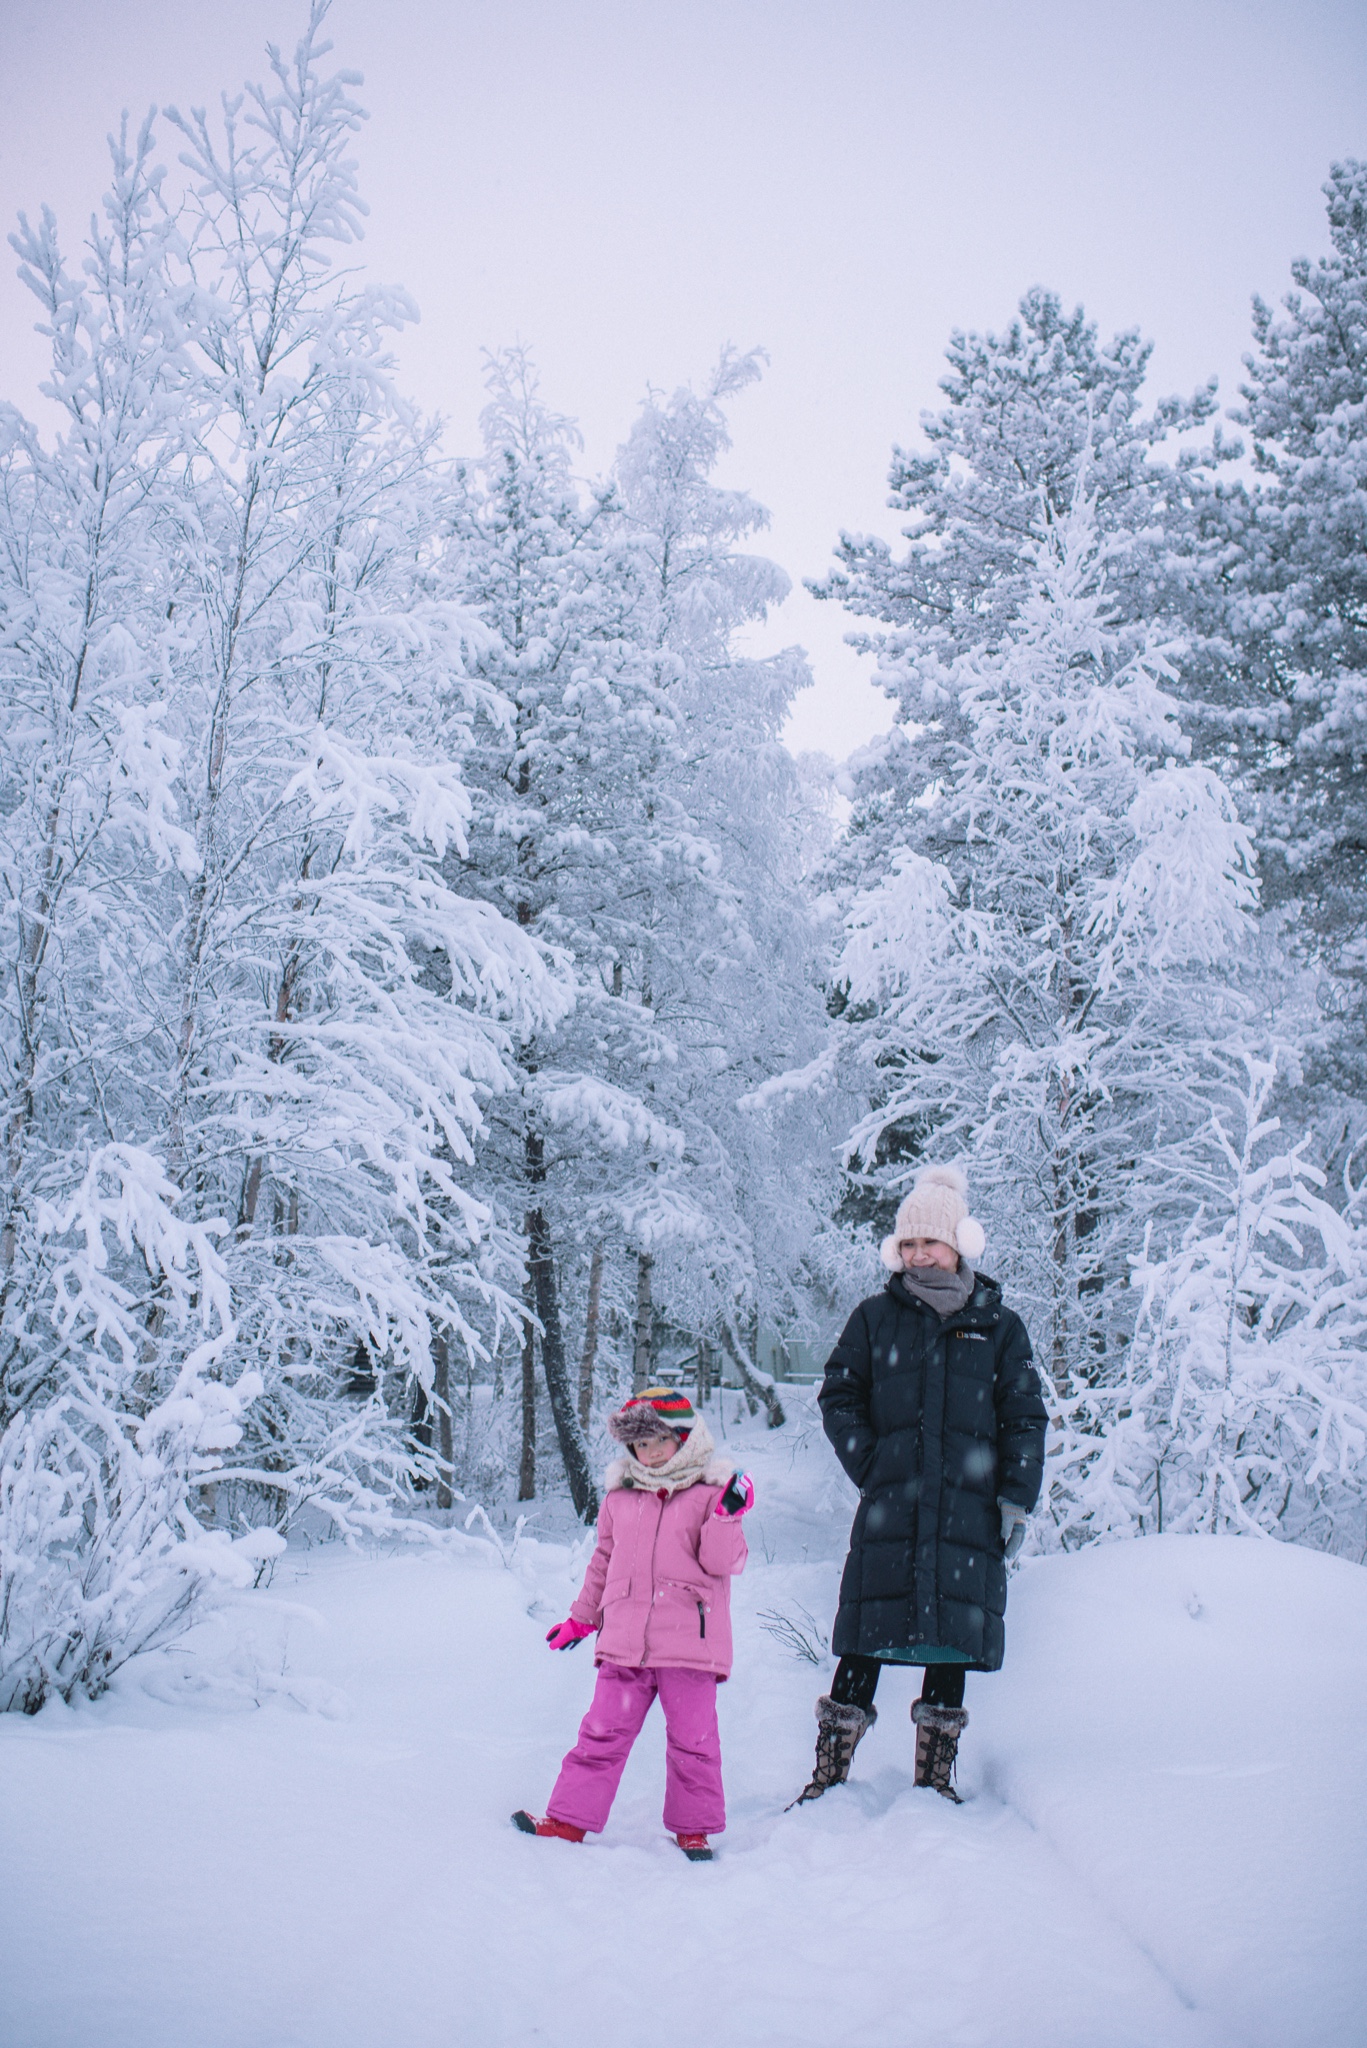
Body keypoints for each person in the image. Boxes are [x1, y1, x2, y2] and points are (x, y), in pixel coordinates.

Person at [792, 1164, 1047, 1806]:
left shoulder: (999, 1327)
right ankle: (829, 1778)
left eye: (928, 1242)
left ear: (959, 1244)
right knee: (864, 1640)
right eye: (907, 1244)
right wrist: (872, 1463)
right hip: (893, 1511)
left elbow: (1024, 1417)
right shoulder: (877, 1319)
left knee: (951, 1645)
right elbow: (839, 1394)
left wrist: (1015, 1498)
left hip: (968, 1514)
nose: (916, 1254)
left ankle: (934, 1783)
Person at [512, 1385, 752, 1861]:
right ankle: (568, 1820)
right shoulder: (621, 1499)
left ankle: (694, 1829)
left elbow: (724, 1562)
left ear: (684, 1437)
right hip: (624, 1644)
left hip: (689, 1646)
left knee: (694, 1741)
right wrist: (582, 1619)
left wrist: (727, 1516)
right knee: (600, 1733)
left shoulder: (710, 1494)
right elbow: (603, 1562)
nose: (649, 1452)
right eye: (640, 1444)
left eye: (658, 1440)